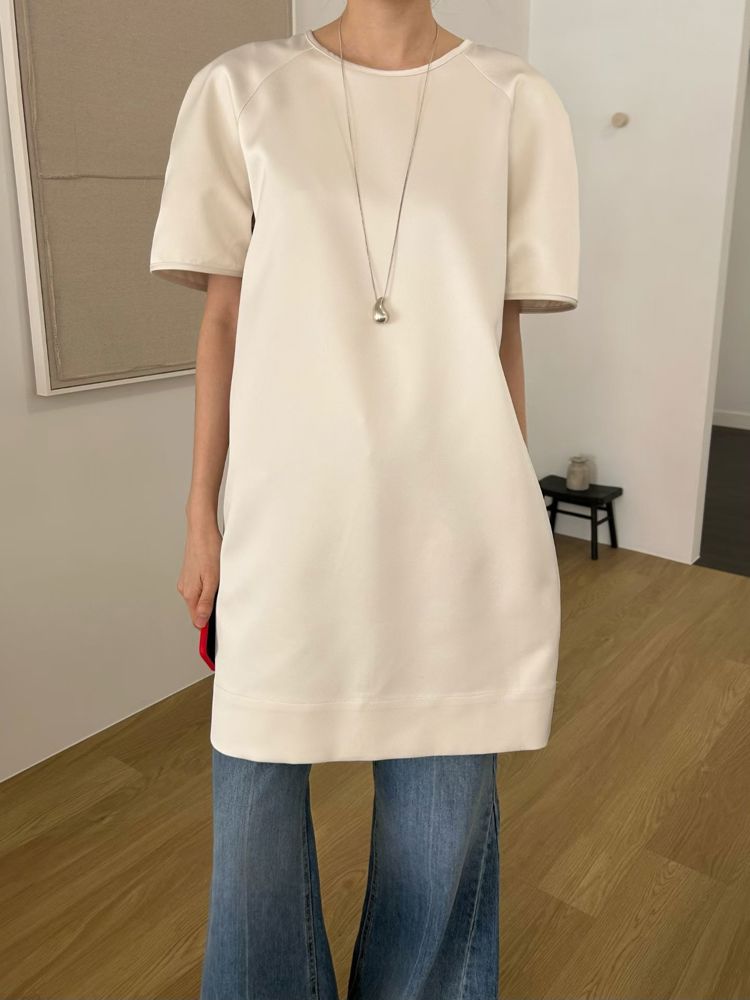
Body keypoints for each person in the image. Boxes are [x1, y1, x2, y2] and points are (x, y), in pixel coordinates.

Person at [149, 2, 580, 997]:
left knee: (442, 834)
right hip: (286, 527)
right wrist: (200, 515)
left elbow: (501, 334)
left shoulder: (517, 101)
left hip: (460, 526)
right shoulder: (240, 90)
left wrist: (513, 516)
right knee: (252, 825)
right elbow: (223, 322)